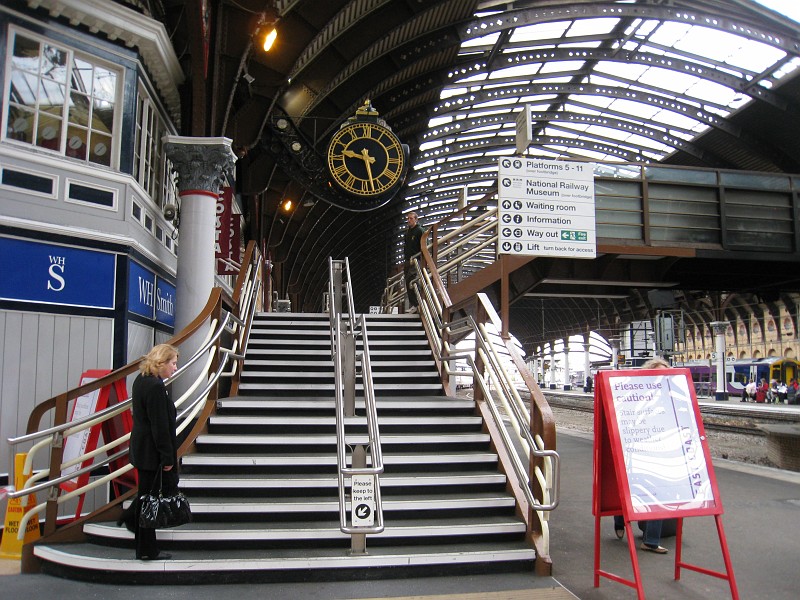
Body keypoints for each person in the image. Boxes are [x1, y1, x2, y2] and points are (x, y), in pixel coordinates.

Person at [613, 356, 670, 554]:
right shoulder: (634, 393)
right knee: (628, 490)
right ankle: (619, 519)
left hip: (659, 452)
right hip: (634, 450)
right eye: (657, 374)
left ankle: (651, 540)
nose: (661, 378)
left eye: (665, 374)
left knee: (657, 493)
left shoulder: (670, 396)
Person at [129, 343, 179, 560]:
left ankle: (141, 542)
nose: (175, 368)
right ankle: (148, 549)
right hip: (152, 453)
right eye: (173, 363)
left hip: (142, 449)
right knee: (149, 500)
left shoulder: (141, 380)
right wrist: (168, 457)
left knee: (144, 496)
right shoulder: (156, 388)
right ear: (162, 363)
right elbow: (159, 426)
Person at [403, 212, 426, 312]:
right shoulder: (407, 232)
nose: (409, 220)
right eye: (408, 218)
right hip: (408, 261)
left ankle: (417, 304)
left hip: (416, 260)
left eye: (411, 218)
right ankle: (414, 304)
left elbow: (425, 246)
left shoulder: (420, 231)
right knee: (408, 282)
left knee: (412, 280)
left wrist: (421, 258)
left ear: (416, 219)